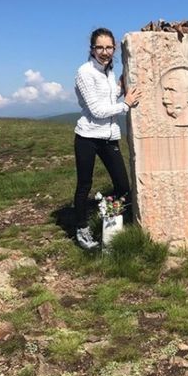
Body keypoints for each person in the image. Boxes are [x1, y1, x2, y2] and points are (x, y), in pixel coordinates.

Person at [73, 27, 141, 249]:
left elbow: (109, 98)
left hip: (109, 137)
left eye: (108, 47)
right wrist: (126, 104)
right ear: (92, 49)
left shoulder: (108, 72)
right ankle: (82, 229)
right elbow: (97, 110)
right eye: (99, 47)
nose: (104, 51)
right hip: (87, 137)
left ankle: (113, 226)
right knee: (85, 184)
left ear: (114, 48)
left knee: (122, 186)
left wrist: (121, 88)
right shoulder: (85, 72)